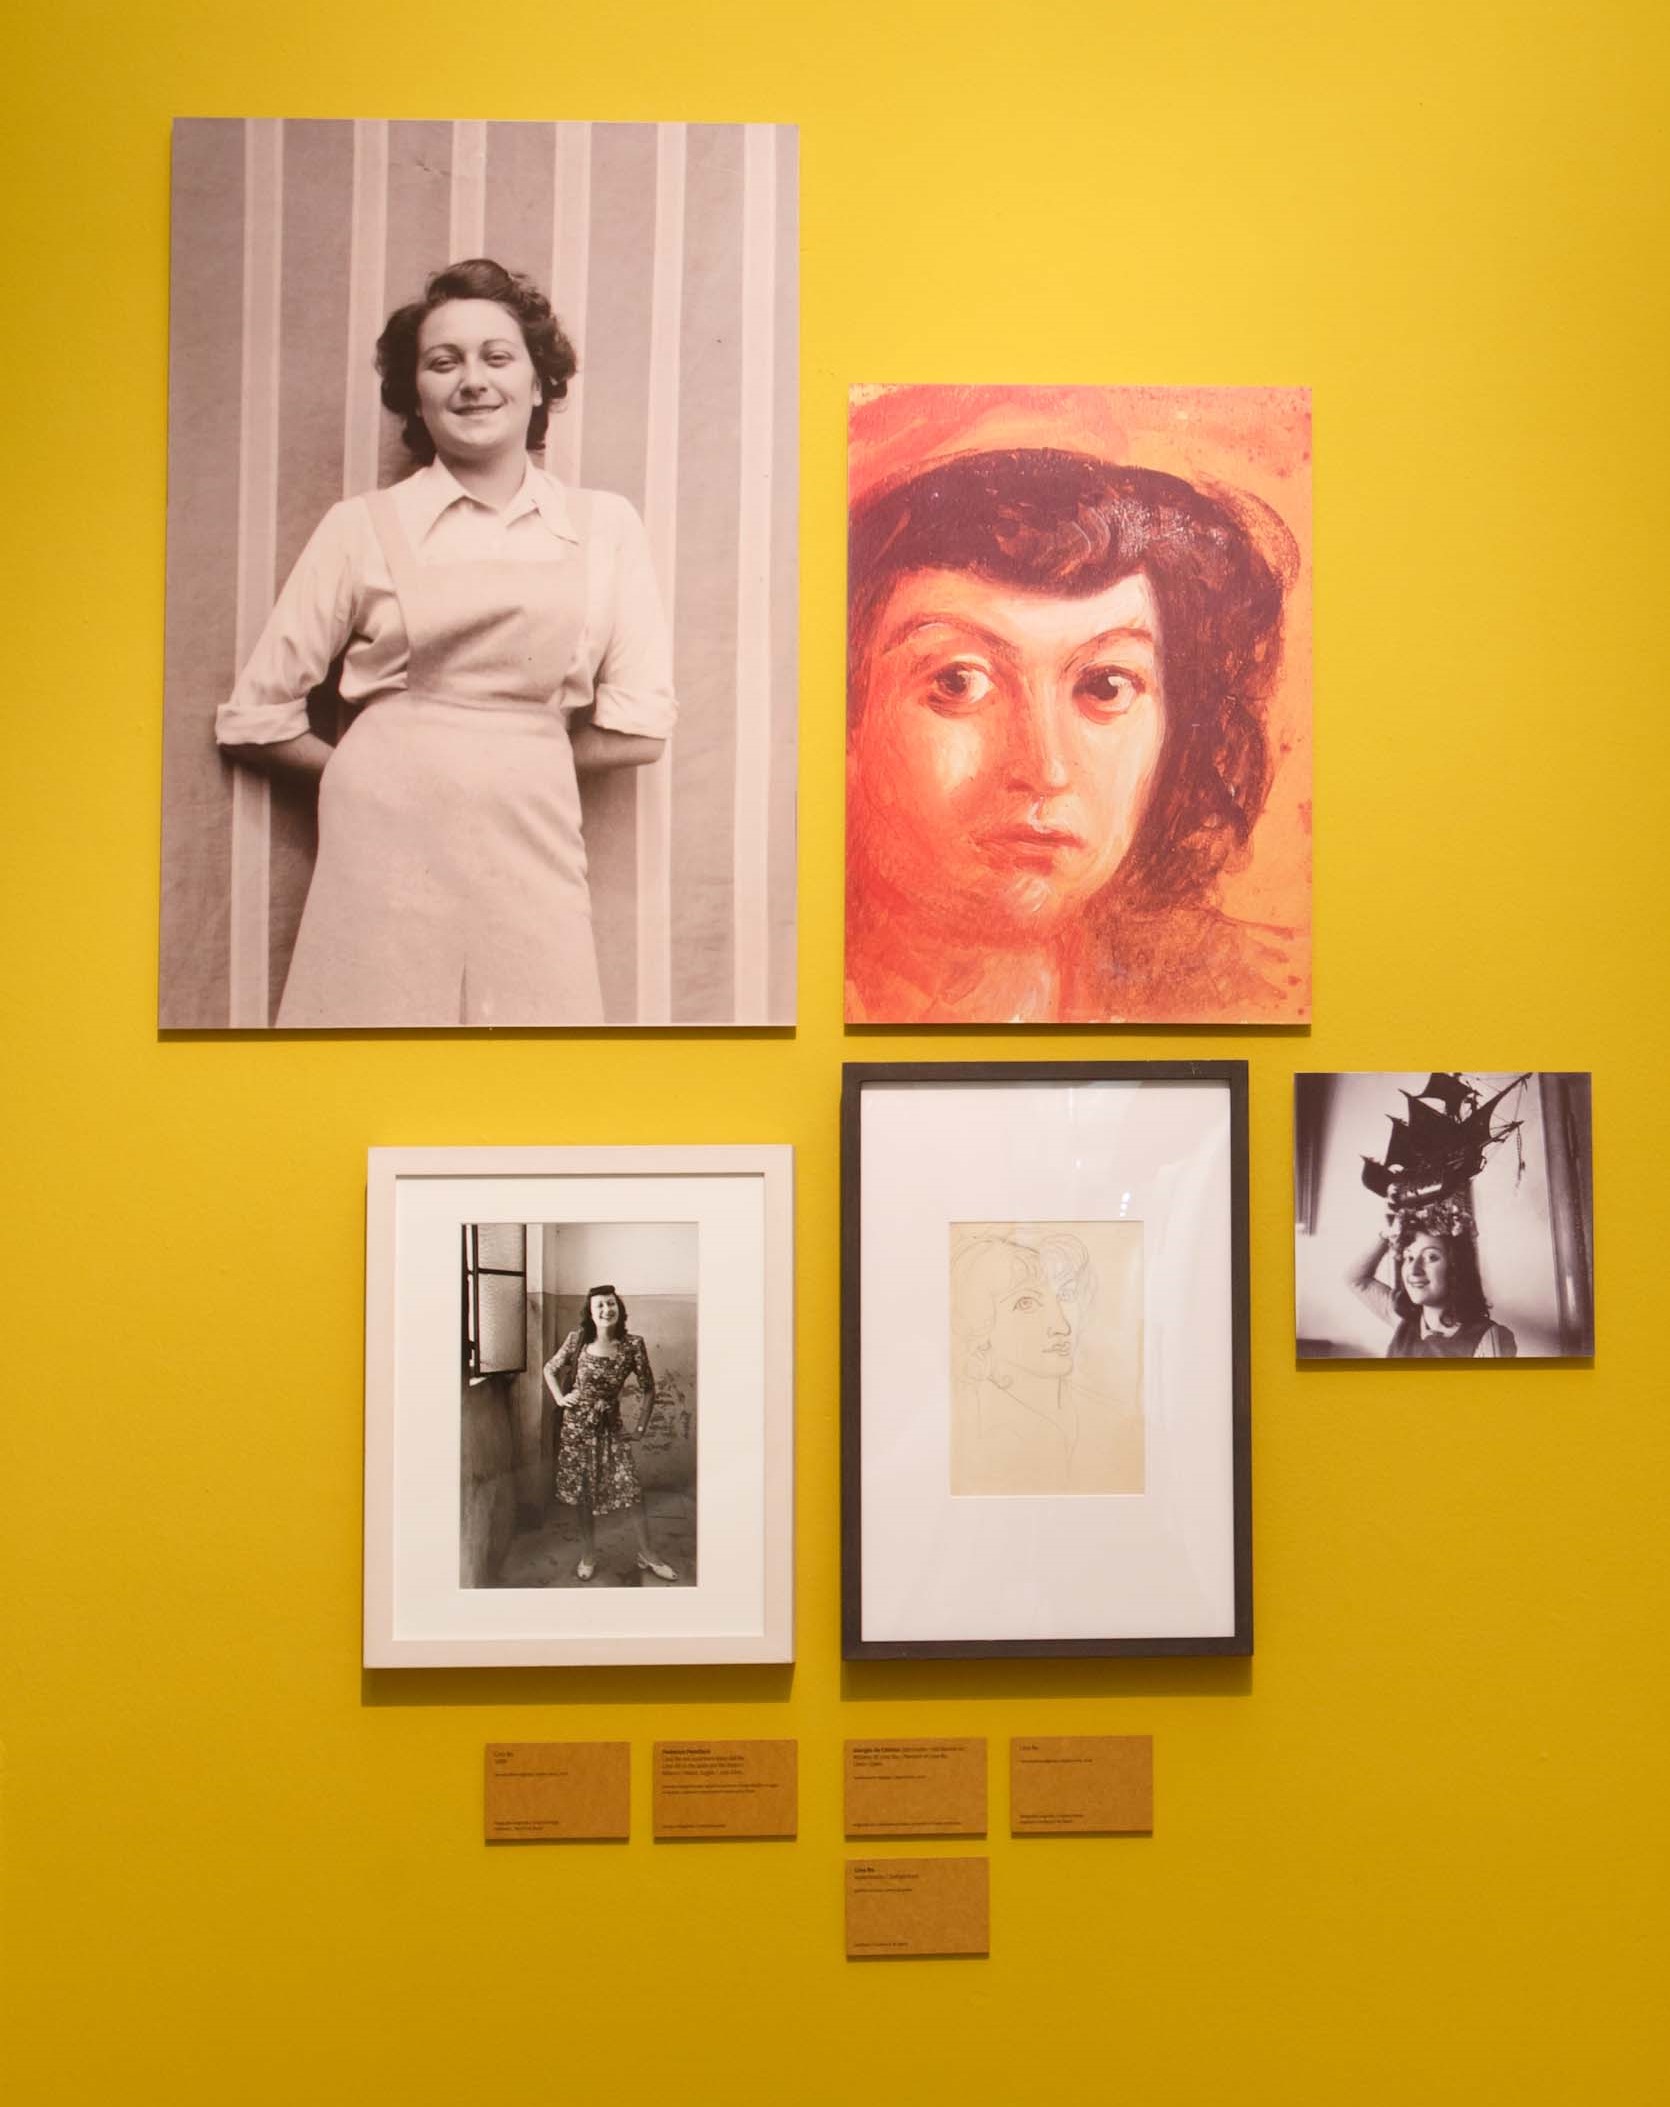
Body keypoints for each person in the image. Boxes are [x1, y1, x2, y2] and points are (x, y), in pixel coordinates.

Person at [216, 258, 675, 1027]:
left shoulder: (605, 527)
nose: (473, 381)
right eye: (443, 362)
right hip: (381, 850)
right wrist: (378, 773)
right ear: (416, 394)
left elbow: (640, 727)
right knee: (367, 1056)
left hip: (533, 839)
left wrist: (512, 760)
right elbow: (255, 719)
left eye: (497, 357)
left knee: (536, 1062)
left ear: (538, 383)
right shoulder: (360, 528)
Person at [845, 447, 1295, 1023]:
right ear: (849, 720)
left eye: (1105, 686)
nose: (1046, 769)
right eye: (958, 683)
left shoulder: (1245, 997)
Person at [949, 1229, 1142, 1494]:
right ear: (979, 1322)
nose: (1062, 1325)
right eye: (1026, 1303)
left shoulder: (1118, 1421)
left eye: (1066, 1295)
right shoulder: (966, 1434)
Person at [543, 1284, 678, 1583]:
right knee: (584, 1493)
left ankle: (648, 1554)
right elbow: (549, 1369)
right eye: (600, 1305)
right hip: (577, 1428)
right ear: (590, 1313)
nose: (607, 1310)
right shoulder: (576, 1340)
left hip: (610, 1425)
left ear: (619, 1308)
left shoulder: (633, 1345)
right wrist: (560, 1399)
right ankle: (588, 1555)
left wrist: (640, 1428)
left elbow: (648, 1388)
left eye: (611, 1304)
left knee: (631, 1490)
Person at [1347, 1208, 1518, 1359]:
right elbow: (1355, 1279)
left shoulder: (1488, 1337)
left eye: (1431, 1257)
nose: (1414, 1270)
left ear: (1457, 1267)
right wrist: (1387, 1235)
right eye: (1409, 1257)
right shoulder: (1402, 1318)